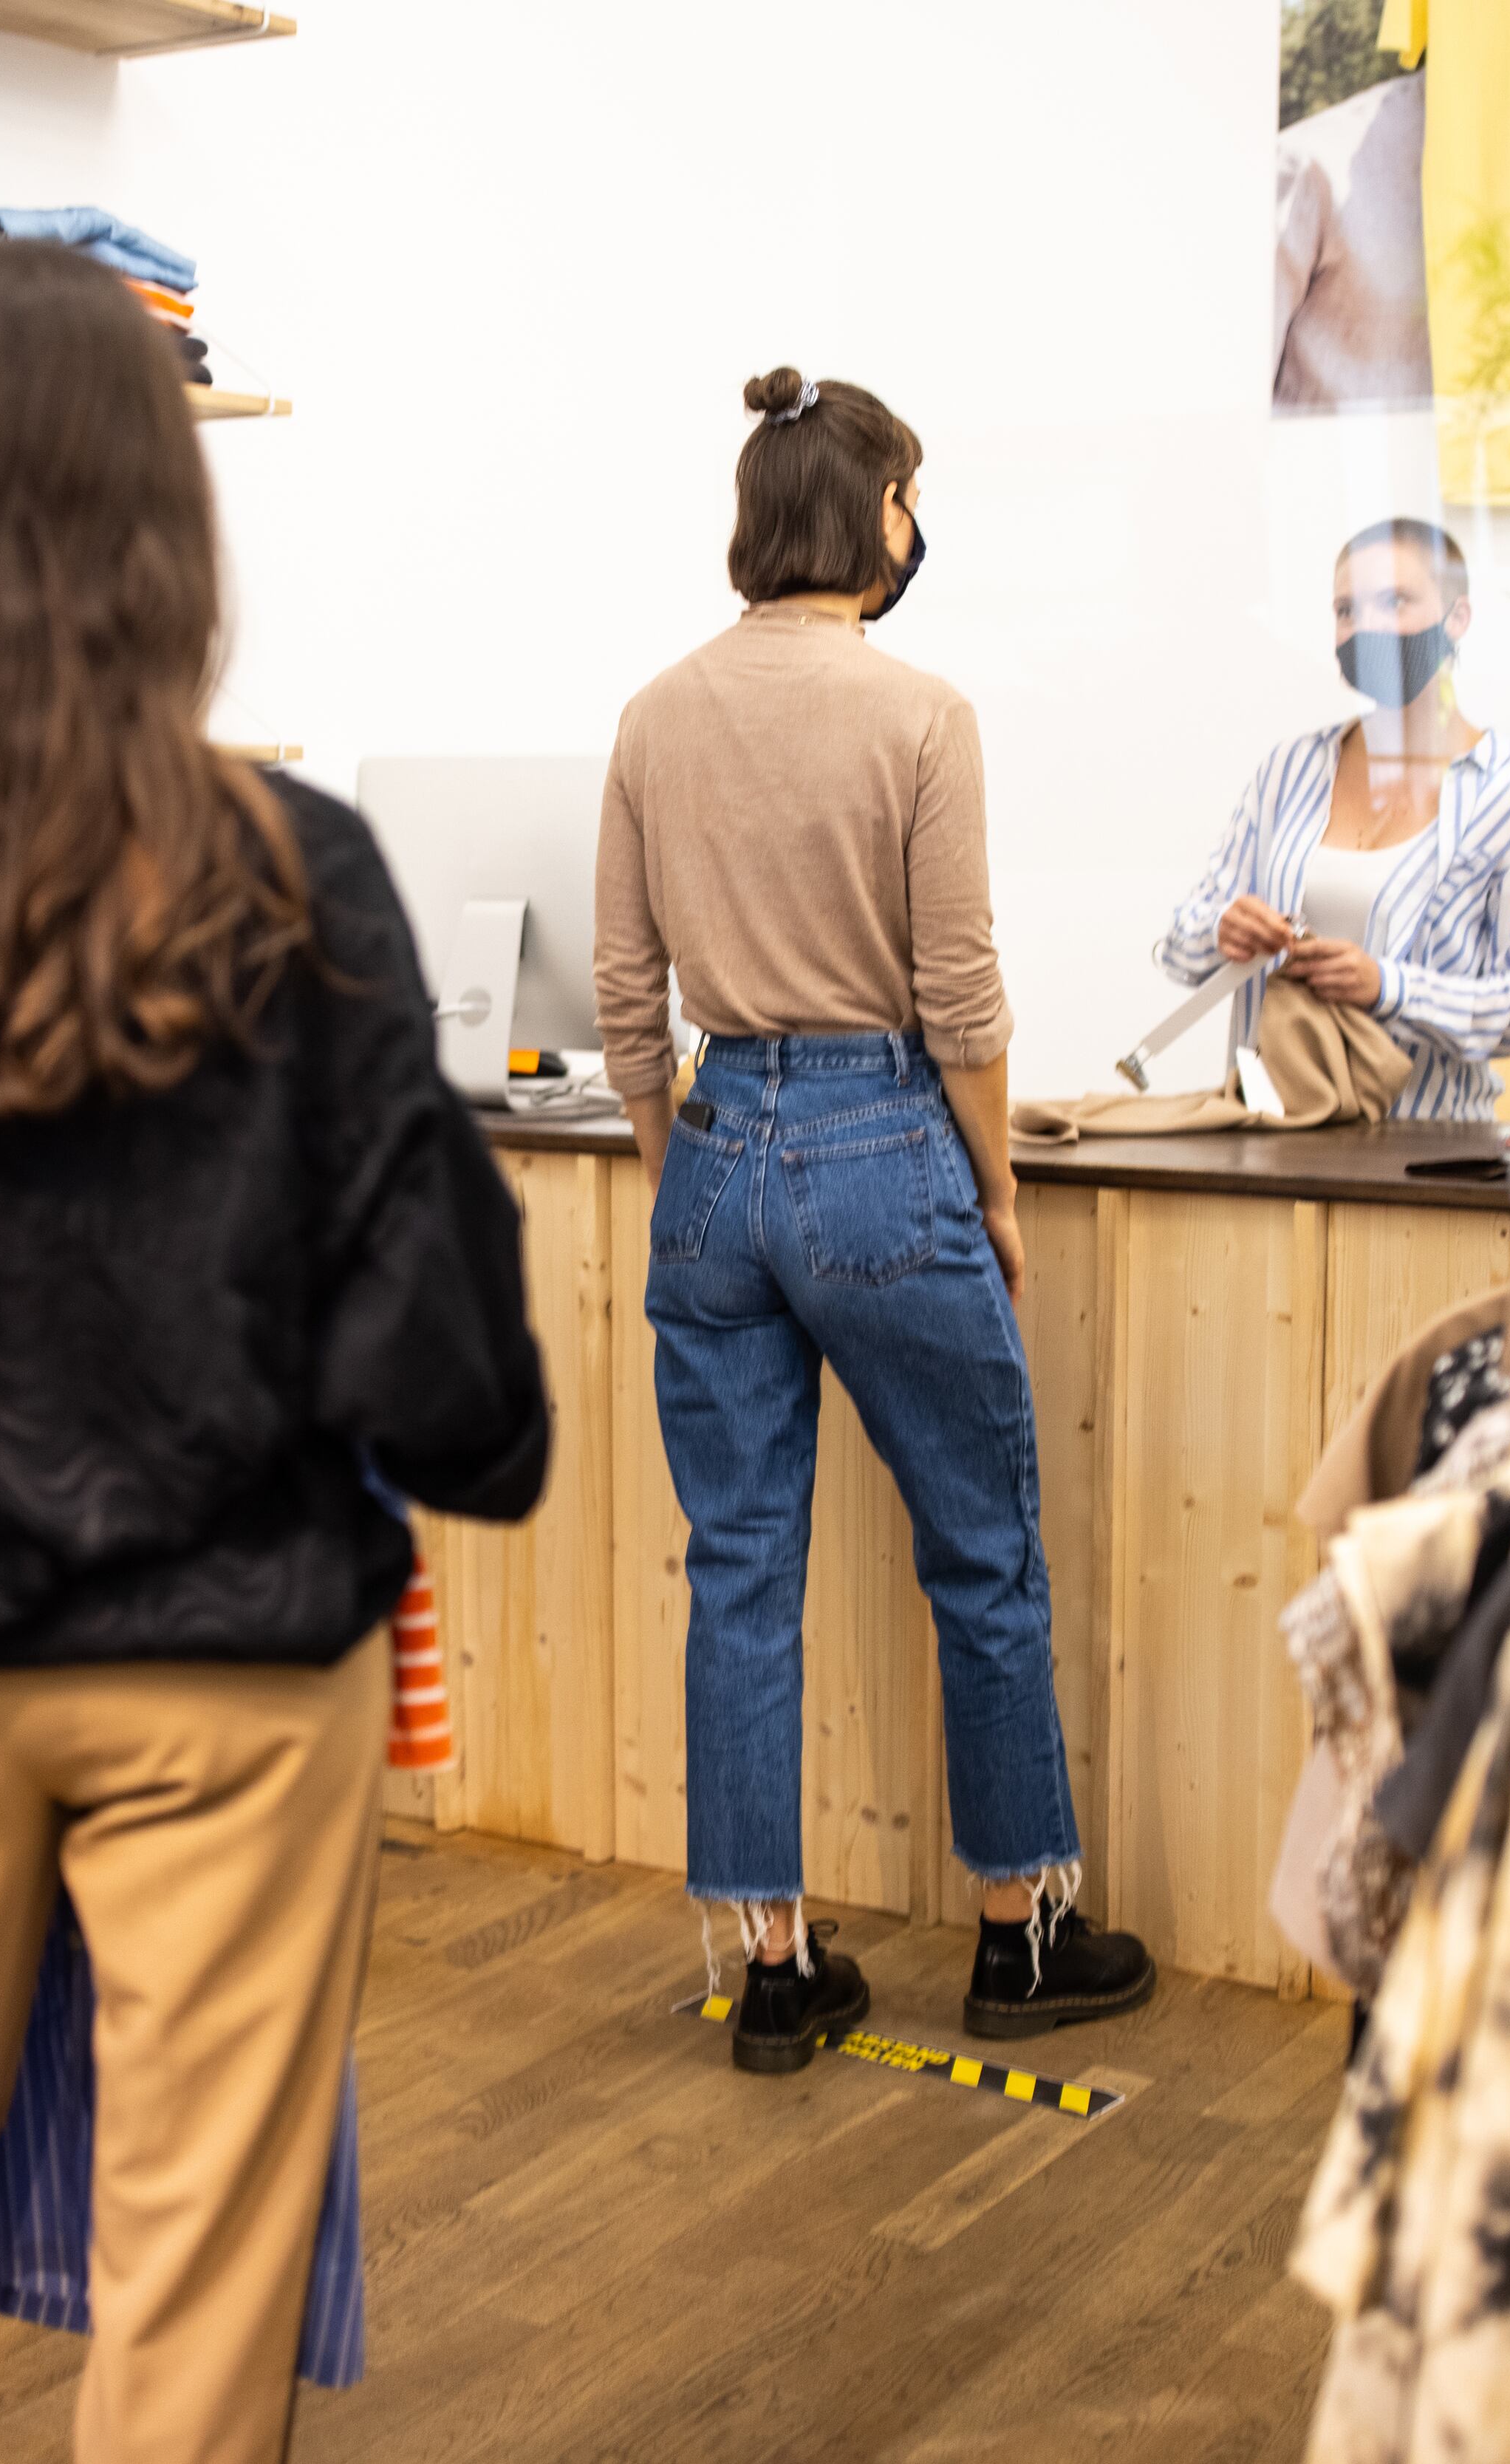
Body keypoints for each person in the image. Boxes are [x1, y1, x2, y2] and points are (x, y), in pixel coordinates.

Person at [0, 238, 550, 2464]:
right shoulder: (290, 868)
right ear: (158, 513)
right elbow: (440, 1358)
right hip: (230, 1663)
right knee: (196, 2251)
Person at [595, 366, 1155, 2078]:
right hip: (876, 1145)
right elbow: (959, 993)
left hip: (717, 1146)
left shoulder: (654, 714)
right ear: (872, 517)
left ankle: (770, 1967)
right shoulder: (920, 714)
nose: (917, 529)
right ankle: (1019, 1938)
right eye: (909, 498)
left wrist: (672, 1161)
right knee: (980, 1552)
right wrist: (993, 1183)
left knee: (739, 1574)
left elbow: (626, 991)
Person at [1158, 518, 1510, 1119]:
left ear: (1457, 617)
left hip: (1425, 1146)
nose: (1366, 627)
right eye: (1347, 610)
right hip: (1266, 1132)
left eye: (1395, 602)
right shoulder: (1290, 770)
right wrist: (1223, 928)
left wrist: (1387, 987)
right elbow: (1179, 944)